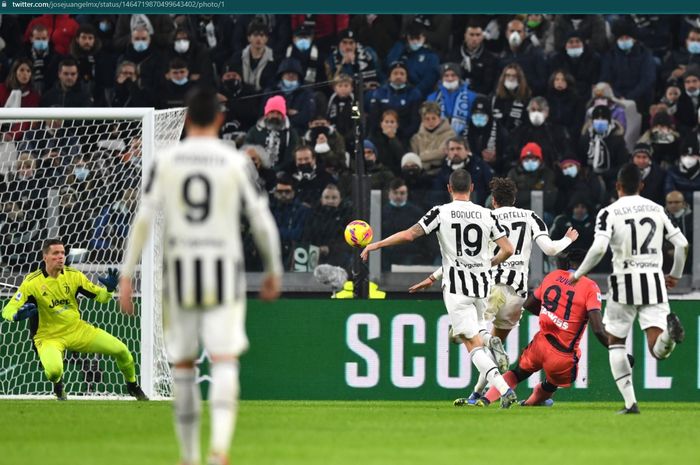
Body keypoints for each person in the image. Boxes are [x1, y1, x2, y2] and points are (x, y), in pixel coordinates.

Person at [119, 87, 282, 465]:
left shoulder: (167, 159)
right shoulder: (234, 160)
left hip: (178, 272)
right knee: (224, 359)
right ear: (220, 120)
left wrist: (128, 272)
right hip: (222, 270)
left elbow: (143, 219)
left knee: (184, 366)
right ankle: (220, 450)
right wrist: (273, 268)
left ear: (187, 118)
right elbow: (260, 219)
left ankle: (189, 456)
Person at [412, 177, 578, 405]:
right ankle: (476, 395)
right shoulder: (531, 217)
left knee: (472, 339)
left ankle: (475, 338)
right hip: (517, 295)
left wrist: (434, 276)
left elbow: (465, 258)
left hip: (490, 288)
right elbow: (550, 249)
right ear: (515, 198)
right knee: (487, 348)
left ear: (494, 201)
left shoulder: (486, 216)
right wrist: (567, 240)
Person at [363, 168, 520, 408]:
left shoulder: (440, 213)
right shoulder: (487, 215)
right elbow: (508, 249)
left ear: (448, 188)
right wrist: (488, 263)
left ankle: (503, 388)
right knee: (478, 331)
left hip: (457, 289)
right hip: (482, 287)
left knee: (470, 343)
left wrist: (376, 245)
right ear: (472, 189)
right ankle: (490, 341)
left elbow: (408, 235)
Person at [572, 163, 688, 414]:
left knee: (616, 341)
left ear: (617, 185)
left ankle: (630, 403)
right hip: (654, 281)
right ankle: (669, 335)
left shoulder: (609, 212)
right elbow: (682, 244)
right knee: (657, 350)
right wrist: (675, 275)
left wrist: (579, 273)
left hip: (624, 281)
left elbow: (600, 248)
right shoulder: (657, 209)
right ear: (642, 186)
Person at [1, 238, 146, 401]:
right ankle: (58, 385)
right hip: (49, 337)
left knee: (122, 351)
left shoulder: (74, 276)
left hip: (78, 330)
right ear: (45, 257)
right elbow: (7, 310)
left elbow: (101, 297)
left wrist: (110, 289)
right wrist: (16, 315)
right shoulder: (32, 282)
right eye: (56, 253)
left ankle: (133, 386)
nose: (61, 257)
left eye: (63, 253)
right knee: (54, 371)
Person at [475, 249, 613, 407]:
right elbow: (598, 329)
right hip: (563, 354)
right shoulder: (590, 287)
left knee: (517, 373)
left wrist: (550, 314)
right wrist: (617, 351)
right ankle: (528, 404)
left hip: (540, 344)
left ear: (568, 264)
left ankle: (484, 400)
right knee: (552, 383)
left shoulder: (553, 276)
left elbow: (529, 304)